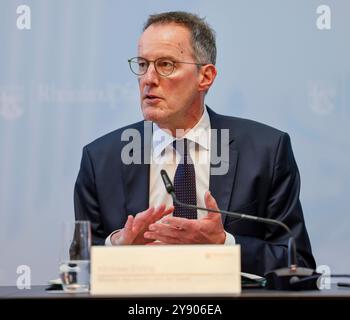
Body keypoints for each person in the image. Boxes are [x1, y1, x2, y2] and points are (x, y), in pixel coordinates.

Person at [74, 11, 316, 276]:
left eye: (166, 65)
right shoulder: (100, 160)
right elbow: (81, 267)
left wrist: (224, 244)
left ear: (206, 76)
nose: (148, 79)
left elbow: (297, 263)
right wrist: (117, 247)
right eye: (143, 65)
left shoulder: (266, 152)